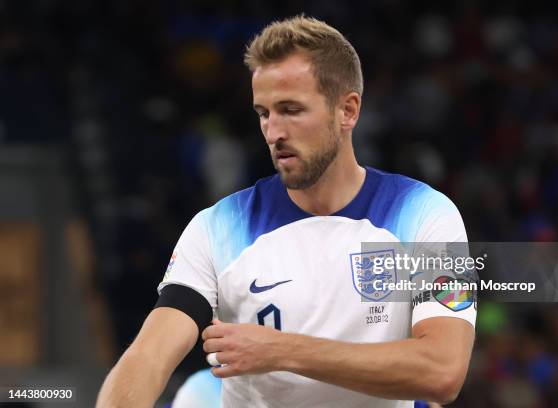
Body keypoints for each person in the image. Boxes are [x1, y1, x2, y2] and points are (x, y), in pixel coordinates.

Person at [96, 15, 476, 408]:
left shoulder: (425, 214)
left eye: (291, 110)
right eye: (264, 113)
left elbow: (443, 371)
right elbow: (148, 358)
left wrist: (282, 351)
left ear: (347, 110)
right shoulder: (217, 227)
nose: (274, 132)